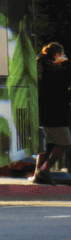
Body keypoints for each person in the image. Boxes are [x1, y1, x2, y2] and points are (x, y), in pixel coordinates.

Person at [31, 42, 71, 185]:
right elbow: (64, 79)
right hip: (55, 112)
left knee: (48, 144)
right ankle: (45, 170)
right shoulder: (53, 68)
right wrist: (65, 63)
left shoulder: (39, 64)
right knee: (64, 142)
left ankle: (38, 173)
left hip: (43, 110)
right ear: (56, 55)